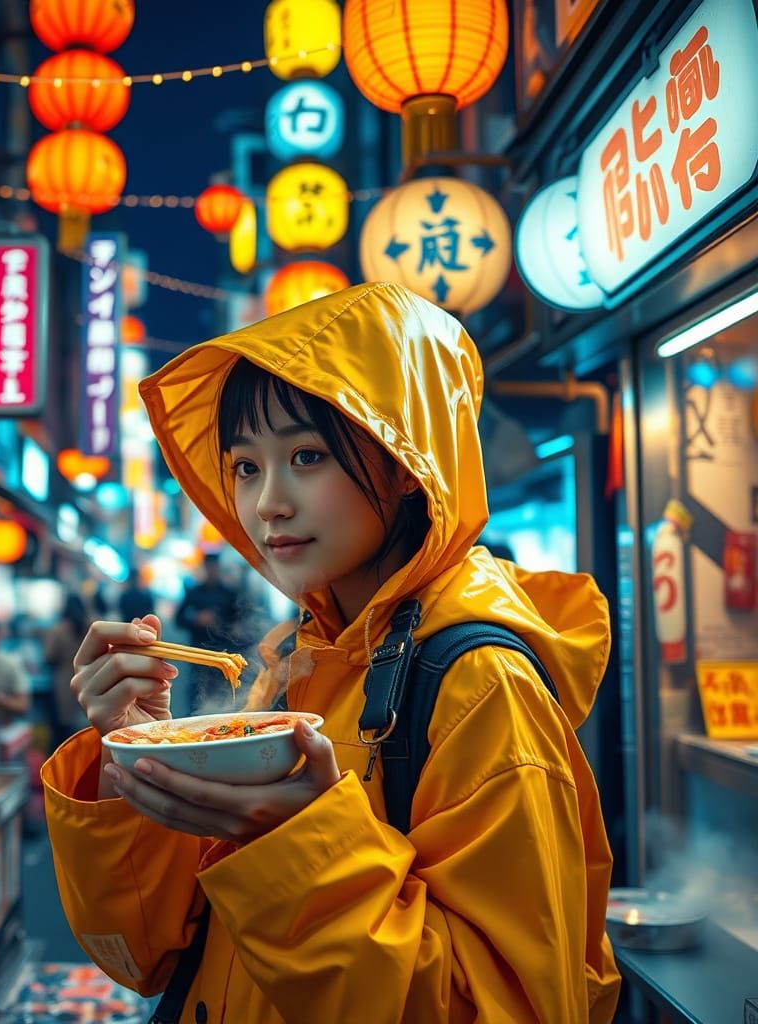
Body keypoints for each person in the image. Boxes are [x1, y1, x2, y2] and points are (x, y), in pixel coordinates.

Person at [42, 284, 620, 1023]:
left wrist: (296, 845)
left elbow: (511, 1007)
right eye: (245, 466)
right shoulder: (301, 659)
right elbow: (151, 952)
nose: (266, 503)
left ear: (407, 464)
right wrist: (127, 757)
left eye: (306, 456)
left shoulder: (480, 684)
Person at [175, 552, 242, 711]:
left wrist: (222, 624)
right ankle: (192, 720)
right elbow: (179, 619)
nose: (212, 571)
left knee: (222, 690)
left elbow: (238, 622)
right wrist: (196, 619)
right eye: (209, 567)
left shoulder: (228, 594)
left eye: (215, 567)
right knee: (196, 689)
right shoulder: (194, 593)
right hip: (198, 651)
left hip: (222, 651)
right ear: (205, 568)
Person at [43, 594, 91, 748]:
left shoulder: (58, 629)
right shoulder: (91, 626)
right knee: (86, 725)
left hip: (64, 680)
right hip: (88, 678)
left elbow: (49, 656)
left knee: (64, 729)